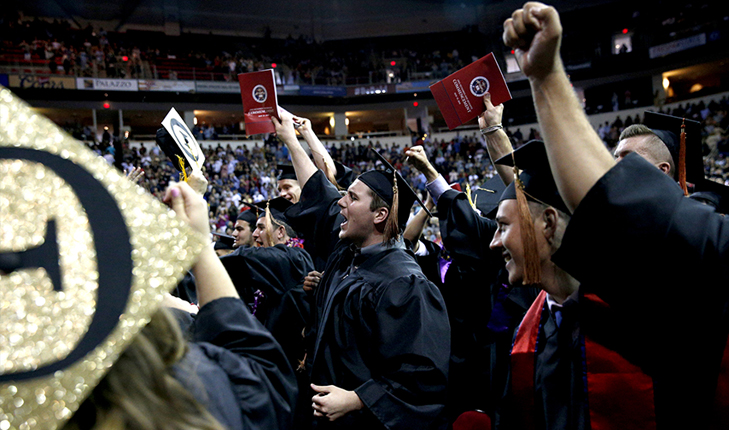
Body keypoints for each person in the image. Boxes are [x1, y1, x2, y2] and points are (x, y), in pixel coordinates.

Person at [503, 3, 729, 428]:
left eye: (624, 163)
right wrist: (543, 80)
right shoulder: (541, 318)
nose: (612, 171)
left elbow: (615, 209)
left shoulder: (696, 254)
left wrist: (548, 79)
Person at [273, 109, 451, 430]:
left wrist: (357, 399)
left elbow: (422, 377)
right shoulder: (349, 252)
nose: (341, 202)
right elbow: (318, 193)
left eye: (352, 197)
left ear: (380, 215)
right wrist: (291, 140)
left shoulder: (405, 283)